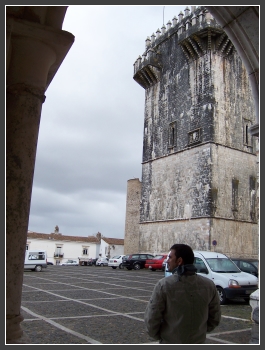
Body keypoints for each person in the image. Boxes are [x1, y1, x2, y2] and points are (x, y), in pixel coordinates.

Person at [144, 244, 221, 344]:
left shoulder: (164, 285)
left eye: (170, 257)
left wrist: (162, 336)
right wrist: (199, 332)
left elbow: (152, 318)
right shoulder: (209, 285)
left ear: (179, 261)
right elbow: (215, 317)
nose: (167, 260)